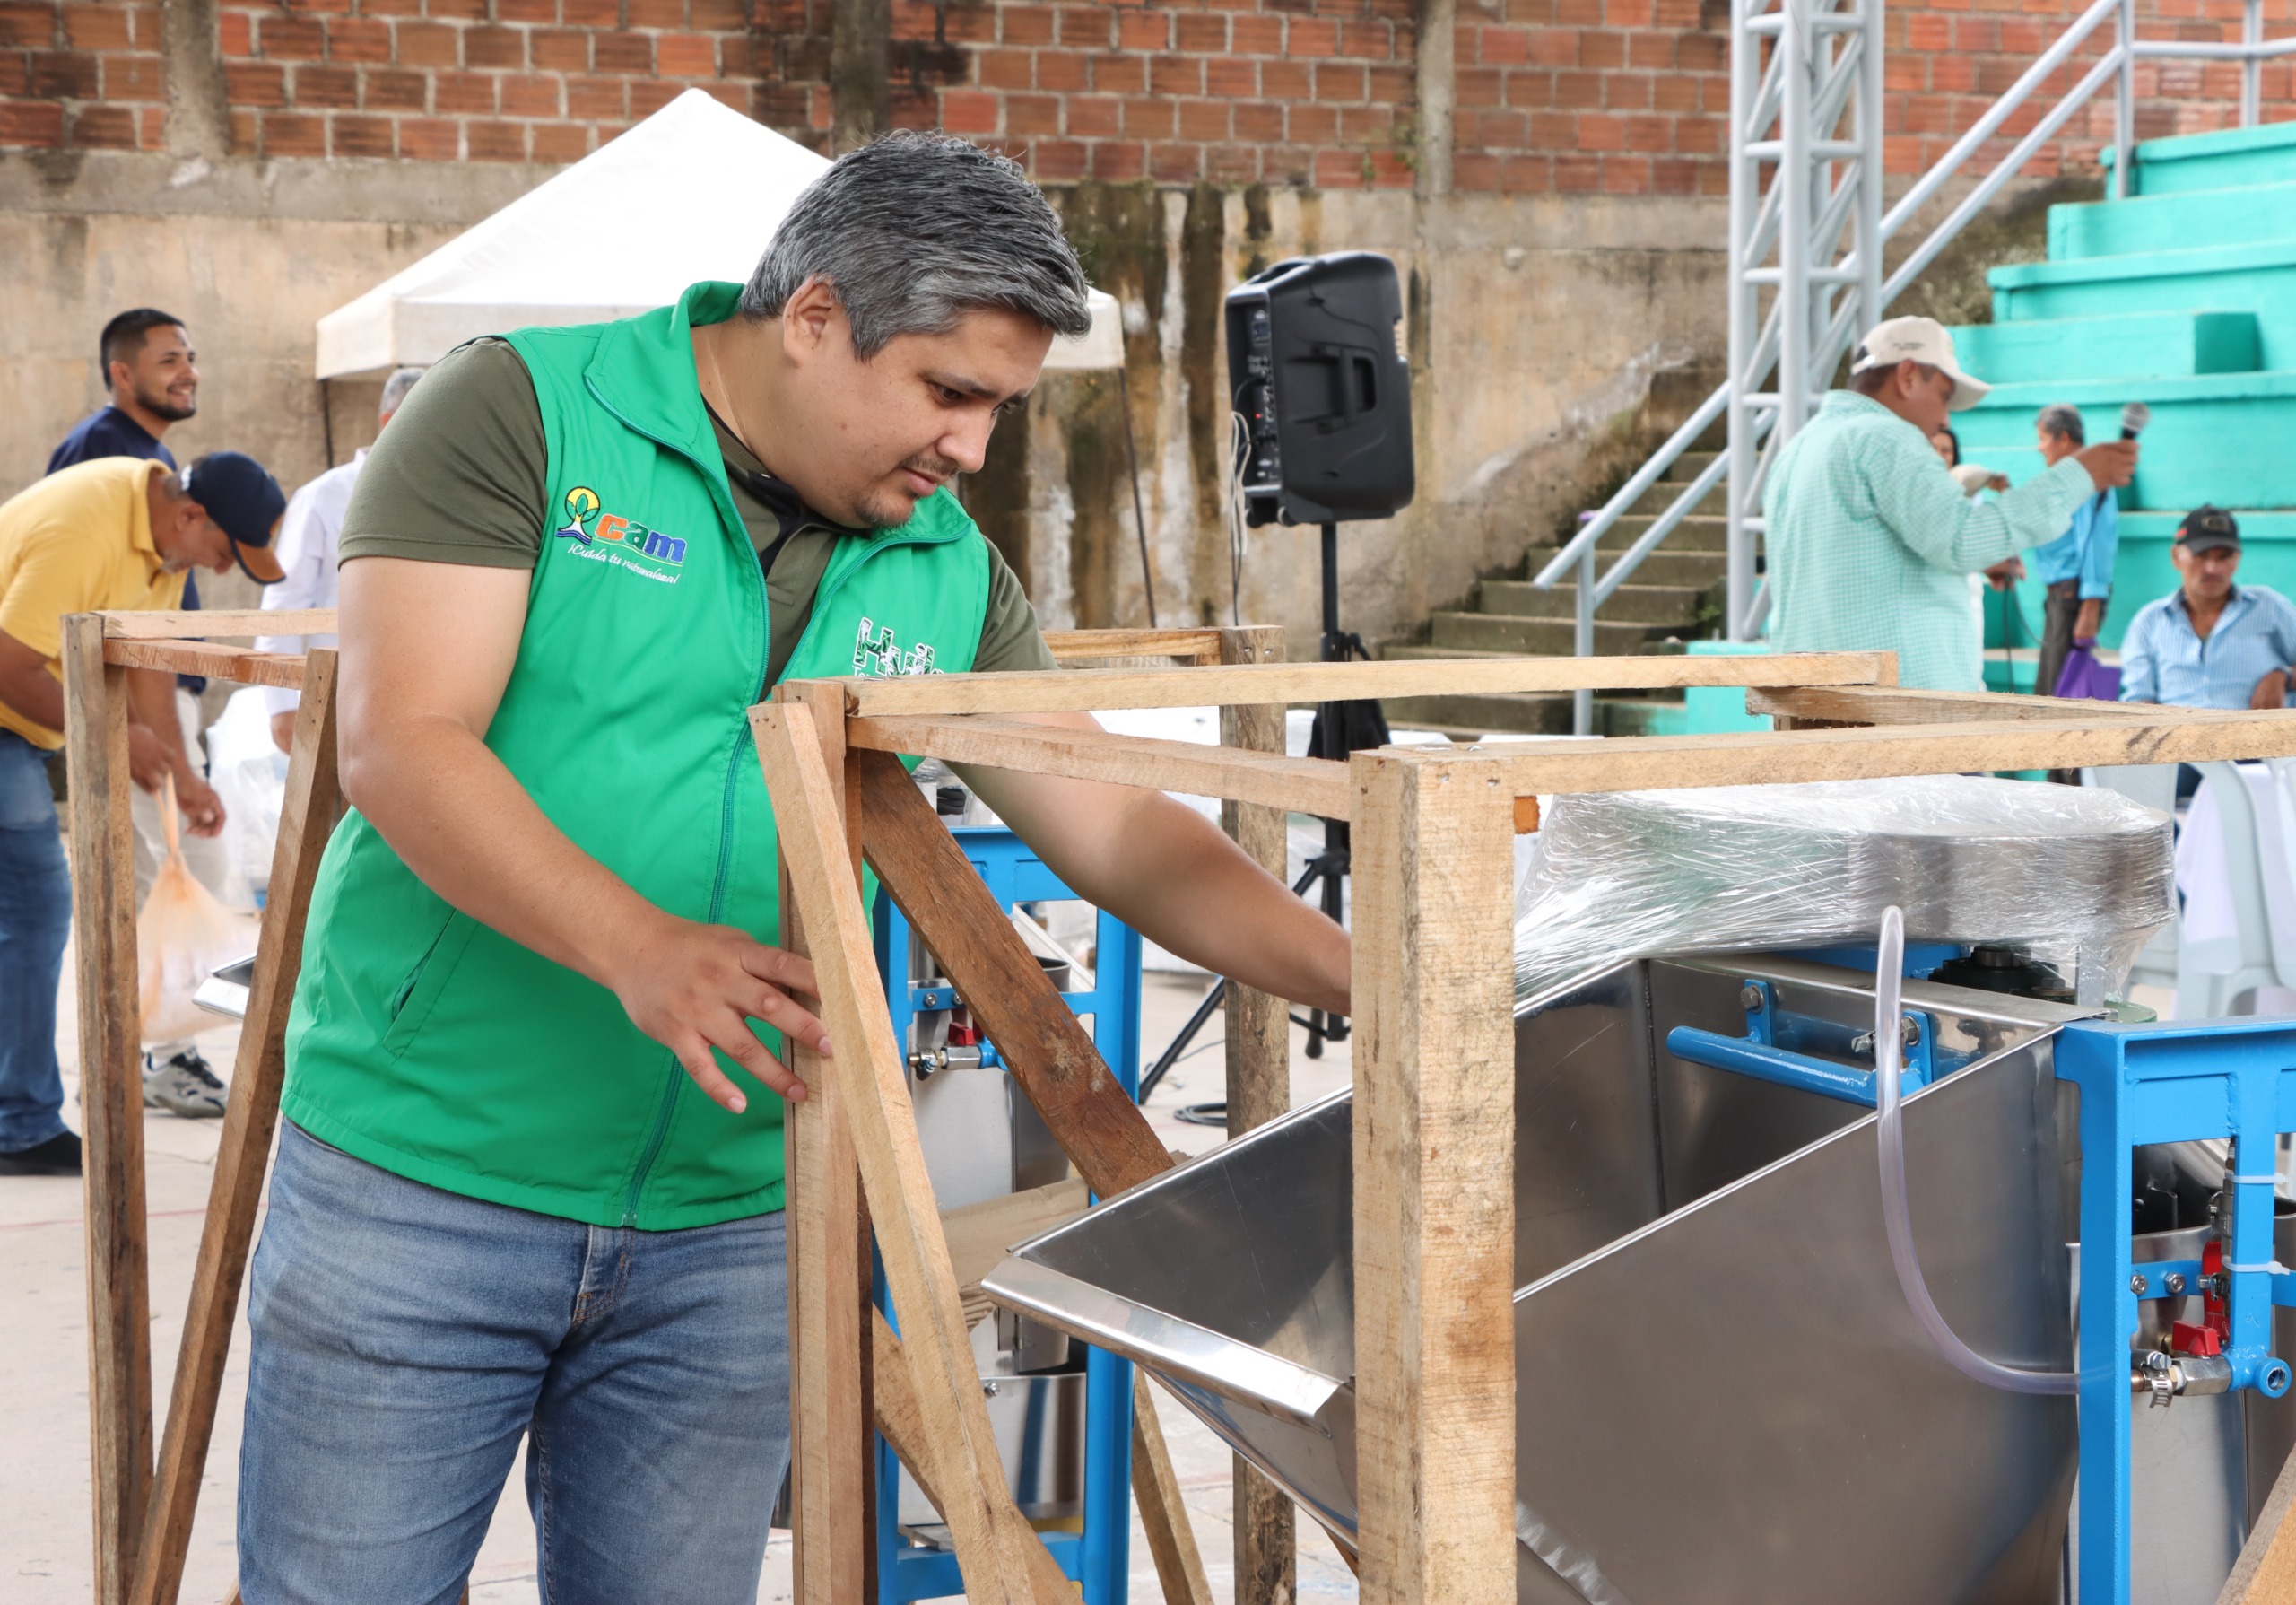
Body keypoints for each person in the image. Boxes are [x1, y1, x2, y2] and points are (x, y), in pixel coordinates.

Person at [237, 132, 1352, 1604]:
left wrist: (1383, 969)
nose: (972, 448)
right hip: (426, 1176)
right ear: (815, 317)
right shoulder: (523, 413)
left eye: (1001, 408)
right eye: (950, 393)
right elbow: (405, 739)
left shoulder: (948, 564)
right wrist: (639, 942)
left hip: (733, 1214)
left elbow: (1121, 825)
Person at [0, 452, 287, 1176]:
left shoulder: (163, 538)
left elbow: (145, 661)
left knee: (28, 910)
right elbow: (7, 663)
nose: (220, 570)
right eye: (224, 553)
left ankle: (18, 1112)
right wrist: (111, 732)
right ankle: (21, 1123)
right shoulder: (86, 526)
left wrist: (182, 772)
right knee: (38, 904)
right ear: (192, 517)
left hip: (24, 723)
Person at [1764, 315, 2137, 691]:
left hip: (1813, 702)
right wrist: (2079, 475)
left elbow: (1862, 560)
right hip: (1889, 714)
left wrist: (1970, 561)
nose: (1944, 419)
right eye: (1944, 396)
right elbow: (1962, 541)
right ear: (1908, 376)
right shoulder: (1886, 437)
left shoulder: (1798, 448)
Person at [255, 366, 424, 752]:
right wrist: (281, 704)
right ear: (389, 421)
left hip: (416, 701)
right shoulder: (324, 495)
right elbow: (285, 601)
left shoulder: (448, 498)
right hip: (330, 695)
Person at [2118, 507, 2296, 712]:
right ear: (2176, 556)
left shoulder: (2269, 607)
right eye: (2201, 556)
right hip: (2175, 740)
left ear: (2237, 559)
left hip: (2259, 739)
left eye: (2224, 556)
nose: (2213, 568)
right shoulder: (2149, 620)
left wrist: (2283, 677)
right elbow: (2138, 701)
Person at [2028, 402, 2122, 702]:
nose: (2039, 448)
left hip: (2075, 598)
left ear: (2064, 439)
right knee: (2051, 690)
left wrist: (2091, 605)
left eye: (2043, 439)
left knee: (2058, 696)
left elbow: (2097, 541)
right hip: (2061, 596)